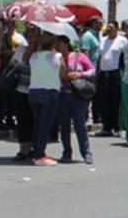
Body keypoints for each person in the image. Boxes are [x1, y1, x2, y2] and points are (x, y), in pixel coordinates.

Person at [28, 31, 66, 166]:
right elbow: (63, 74)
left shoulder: (34, 56)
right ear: (54, 43)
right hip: (50, 91)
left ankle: (37, 151)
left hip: (34, 90)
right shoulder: (58, 56)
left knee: (38, 123)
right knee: (45, 125)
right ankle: (39, 155)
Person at [57, 34, 94, 164]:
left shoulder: (79, 56)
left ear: (66, 44)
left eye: (59, 43)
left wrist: (80, 74)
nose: (57, 46)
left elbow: (92, 70)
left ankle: (86, 153)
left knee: (80, 125)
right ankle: (67, 152)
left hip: (78, 95)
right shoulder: (56, 57)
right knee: (64, 126)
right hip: (62, 95)